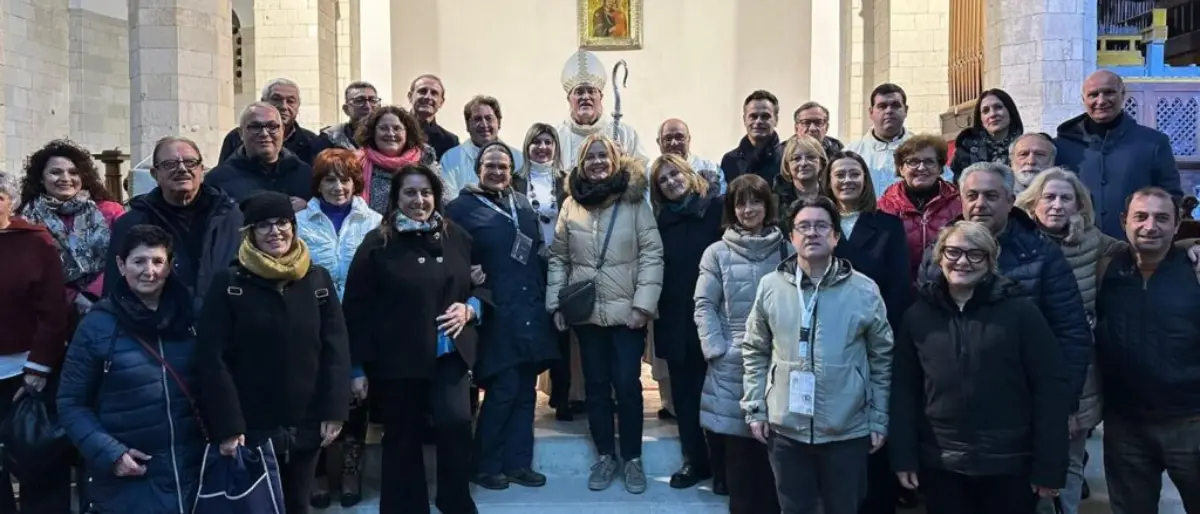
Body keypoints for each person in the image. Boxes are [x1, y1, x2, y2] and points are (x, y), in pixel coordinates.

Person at [890, 220, 1071, 514]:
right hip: (942, 463)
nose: (962, 261)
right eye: (953, 252)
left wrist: (1049, 466)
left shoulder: (1021, 313)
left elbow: (1050, 389)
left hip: (1010, 464)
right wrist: (904, 457)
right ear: (939, 257)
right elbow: (904, 391)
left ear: (990, 261)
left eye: (975, 254)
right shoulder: (918, 317)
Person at [195, 191, 351, 514]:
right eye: (263, 225)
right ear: (249, 233)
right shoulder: (230, 282)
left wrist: (334, 409)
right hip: (251, 426)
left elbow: (335, 347)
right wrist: (227, 425)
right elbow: (213, 358)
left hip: (306, 423)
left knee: (298, 504)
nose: (275, 231)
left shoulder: (316, 279)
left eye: (282, 222)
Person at [341, 164, 483, 514]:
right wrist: (356, 368)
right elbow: (356, 308)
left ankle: (454, 501)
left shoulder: (457, 236)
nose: (419, 200)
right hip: (395, 359)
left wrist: (471, 308)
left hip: (448, 355)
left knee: (455, 424)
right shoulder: (378, 242)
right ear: (396, 198)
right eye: (410, 193)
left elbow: (482, 282)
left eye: (425, 193)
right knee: (402, 436)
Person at [741, 196, 892, 514]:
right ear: (791, 237)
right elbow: (755, 349)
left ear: (836, 236)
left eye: (822, 226)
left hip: (846, 428)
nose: (812, 233)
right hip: (786, 429)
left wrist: (878, 416)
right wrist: (755, 407)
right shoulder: (771, 286)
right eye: (803, 226)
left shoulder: (864, 290)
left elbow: (882, 358)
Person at [919, 162, 1093, 433]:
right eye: (972, 195)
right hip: (948, 409)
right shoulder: (937, 253)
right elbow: (923, 329)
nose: (980, 204)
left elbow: (1071, 334)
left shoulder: (1041, 254)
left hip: (1021, 407)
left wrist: (1064, 403)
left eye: (991, 196)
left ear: (1011, 200)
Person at [58, 225, 205, 514]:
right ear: (121, 264)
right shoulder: (98, 326)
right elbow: (71, 403)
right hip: (132, 474)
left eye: (157, 261)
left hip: (196, 467)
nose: (148, 270)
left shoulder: (194, 316)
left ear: (169, 266)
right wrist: (110, 453)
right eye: (139, 261)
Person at [546, 134, 663, 494]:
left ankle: (632, 458)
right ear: (581, 163)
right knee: (596, 387)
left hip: (628, 313)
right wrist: (556, 304)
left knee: (627, 386)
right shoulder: (571, 205)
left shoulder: (633, 202)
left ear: (615, 160)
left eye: (603, 156)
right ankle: (604, 456)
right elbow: (559, 257)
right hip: (587, 314)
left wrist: (643, 305)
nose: (597, 162)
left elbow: (651, 254)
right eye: (590, 157)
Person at [446, 143, 557, 490]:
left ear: (512, 171)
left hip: (528, 308)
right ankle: (486, 464)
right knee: (503, 388)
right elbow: (449, 256)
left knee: (526, 390)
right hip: (494, 310)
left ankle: (518, 463)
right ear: (479, 169)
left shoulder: (522, 204)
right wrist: (467, 273)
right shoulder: (460, 209)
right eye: (491, 166)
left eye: (504, 167)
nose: (497, 172)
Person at [1094, 187, 1200, 514]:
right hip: (1124, 425)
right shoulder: (1104, 268)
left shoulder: (1194, 268)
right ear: (1124, 221)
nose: (1150, 226)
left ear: (1178, 223)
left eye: (1162, 218)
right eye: (1140, 216)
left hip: (1191, 422)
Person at [821, 150, 911, 514]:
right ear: (829, 181)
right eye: (839, 174)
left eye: (853, 174)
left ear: (866, 179)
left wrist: (879, 334)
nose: (846, 180)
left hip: (874, 338)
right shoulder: (817, 224)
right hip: (827, 340)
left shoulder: (888, 225)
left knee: (874, 425)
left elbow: (899, 285)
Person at [294, 149, 381, 509]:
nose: (338, 186)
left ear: (355, 182)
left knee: (356, 396)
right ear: (318, 183)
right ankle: (315, 473)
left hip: (359, 322)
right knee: (314, 394)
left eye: (345, 179)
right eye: (329, 179)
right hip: (312, 323)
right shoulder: (300, 221)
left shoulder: (373, 220)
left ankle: (350, 469)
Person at [694, 174, 785, 513]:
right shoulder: (716, 253)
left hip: (779, 360)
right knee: (740, 457)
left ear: (767, 205)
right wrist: (717, 349)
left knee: (775, 452)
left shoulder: (786, 248)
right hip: (734, 360)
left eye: (756, 201)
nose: (749, 209)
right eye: (741, 202)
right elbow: (704, 306)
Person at [648, 154, 724, 490]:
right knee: (685, 397)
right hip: (676, 320)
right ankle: (695, 461)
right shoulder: (661, 221)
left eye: (673, 174)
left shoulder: (716, 209)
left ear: (688, 173)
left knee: (719, 397)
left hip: (715, 319)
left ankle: (724, 467)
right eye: (662, 181)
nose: (670, 182)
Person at [104, 136, 243, 314]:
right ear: (155, 174)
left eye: (190, 162)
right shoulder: (131, 223)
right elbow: (116, 289)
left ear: (202, 170)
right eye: (170, 164)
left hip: (223, 322)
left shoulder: (231, 217)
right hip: (157, 327)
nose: (182, 169)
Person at [0, 171, 72, 514]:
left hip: (24, 372)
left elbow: (53, 310)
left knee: (36, 456)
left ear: (9, 201)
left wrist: (38, 367)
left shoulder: (35, 242)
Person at [1055, 70, 1183, 239]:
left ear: (1123, 95)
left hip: (1135, 247)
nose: (1101, 101)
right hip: (1077, 246)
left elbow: (1171, 196)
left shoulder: (1154, 143)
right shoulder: (1061, 146)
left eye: (1109, 92)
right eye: (1093, 95)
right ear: (1083, 99)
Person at [18, 139, 124, 317]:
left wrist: (92, 294)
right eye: (55, 172)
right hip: (48, 312)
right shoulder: (24, 220)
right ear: (41, 179)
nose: (65, 178)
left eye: (73, 172)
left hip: (109, 304)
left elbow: (127, 255)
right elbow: (24, 270)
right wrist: (72, 297)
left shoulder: (110, 211)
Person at [877, 135, 962, 283]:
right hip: (899, 290)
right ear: (901, 168)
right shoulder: (884, 207)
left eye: (929, 162)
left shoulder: (959, 204)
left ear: (940, 168)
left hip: (947, 289)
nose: (921, 168)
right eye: (913, 162)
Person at [205, 102, 315, 206]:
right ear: (241, 133)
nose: (264, 133)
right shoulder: (218, 180)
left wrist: (307, 211)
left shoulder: (305, 175)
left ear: (282, 131)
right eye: (255, 127)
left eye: (272, 127)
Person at [556, 50, 648, 167]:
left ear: (601, 97)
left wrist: (625, 161)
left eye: (591, 91)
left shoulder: (624, 133)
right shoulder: (557, 136)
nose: (585, 97)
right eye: (579, 92)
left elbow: (643, 174)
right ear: (569, 98)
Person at [354, 104, 442, 214]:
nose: (391, 133)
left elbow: (445, 202)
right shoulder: (356, 164)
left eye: (397, 128)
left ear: (407, 133)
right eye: (383, 128)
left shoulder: (426, 164)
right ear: (372, 132)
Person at [440, 95, 526, 199]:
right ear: (467, 125)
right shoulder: (451, 159)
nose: (484, 124)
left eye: (489, 118)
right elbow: (449, 199)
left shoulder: (518, 158)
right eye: (477, 119)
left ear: (498, 122)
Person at [218, 78, 320, 164]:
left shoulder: (311, 141)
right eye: (276, 99)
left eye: (290, 101)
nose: (284, 106)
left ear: (298, 105)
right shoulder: (237, 137)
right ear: (263, 102)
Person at [846, 83, 915, 197]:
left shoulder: (923, 149)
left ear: (906, 110)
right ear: (871, 112)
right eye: (882, 106)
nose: (889, 111)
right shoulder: (851, 152)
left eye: (895, 105)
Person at [950, 89, 1024, 180]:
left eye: (998, 107)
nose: (992, 114)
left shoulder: (1026, 147)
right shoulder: (965, 150)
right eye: (985, 111)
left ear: (1010, 111)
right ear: (980, 118)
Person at [722, 90, 784, 186]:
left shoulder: (787, 159)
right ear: (744, 120)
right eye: (753, 116)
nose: (758, 121)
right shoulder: (730, 161)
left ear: (776, 120)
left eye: (765, 116)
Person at [657, 118, 726, 194]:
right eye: (668, 139)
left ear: (688, 139)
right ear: (659, 142)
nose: (674, 143)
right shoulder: (651, 176)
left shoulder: (710, 168)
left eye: (679, 137)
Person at [311, 81, 382, 154]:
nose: (367, 106)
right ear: (346, 109)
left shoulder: (389, 136)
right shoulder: (330, 138)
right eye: (359, 100)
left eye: (372, 100)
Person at [772, 135, 826, 226]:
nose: (803, 163)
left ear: (821, 163)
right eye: (796, 158)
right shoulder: (775, 200)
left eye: (811, 157)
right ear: (787, 165)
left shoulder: (833, 196)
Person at [407, 74, 460, 159]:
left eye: (434, 93)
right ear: (410, 96)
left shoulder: (450, 141)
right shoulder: (393, 131)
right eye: (422, 91)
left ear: (441, 102)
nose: (428, 97)